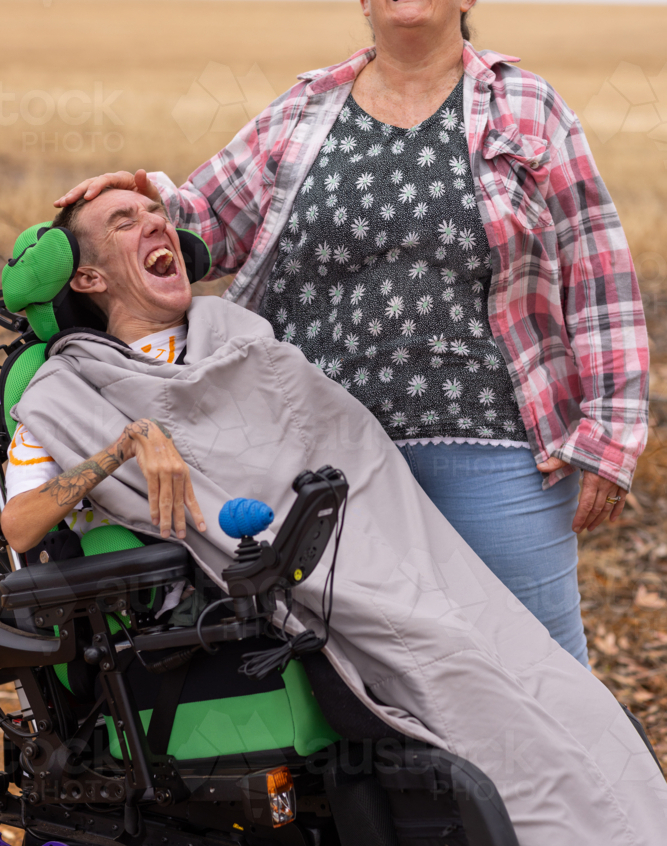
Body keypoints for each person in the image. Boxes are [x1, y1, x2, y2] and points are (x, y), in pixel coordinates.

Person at [54, 0, 649, 669]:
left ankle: (586, 797)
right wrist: (127, 207)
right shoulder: (304, 111)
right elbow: (205, 219)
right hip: (322, 460)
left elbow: (596, 267)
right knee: (364, 682)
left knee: (540, 672)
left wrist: (606, 435)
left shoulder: (524, 107)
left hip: (495, 450)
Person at [3, 188, 665, 845]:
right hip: (238, 607)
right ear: (88, 275)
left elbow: (341, 447)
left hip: (367, 549)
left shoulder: (240, 338)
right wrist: (122, 445)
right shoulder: (68, 392)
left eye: (159, 217)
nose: (157, 228)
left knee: (552, 682)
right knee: (462, 671)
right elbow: (19, 527)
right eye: (126, 222)